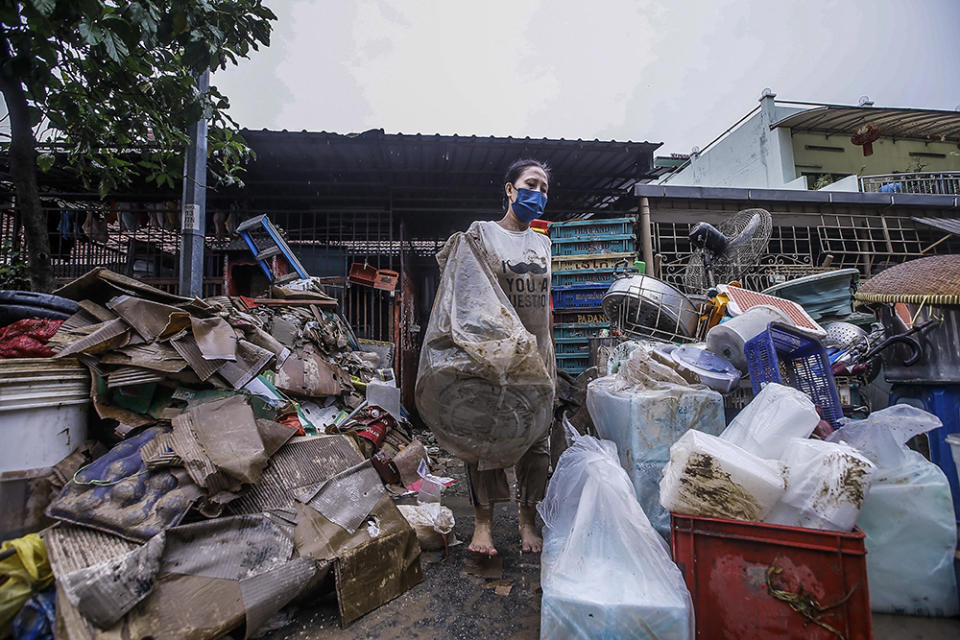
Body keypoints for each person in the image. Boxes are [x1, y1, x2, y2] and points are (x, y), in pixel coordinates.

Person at [458, 158, 556, 556]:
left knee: (537, 442)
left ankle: (526, 517)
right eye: (531, 184)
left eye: (545, 188)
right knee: (486, 437)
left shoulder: (544, 243)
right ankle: (483, 524)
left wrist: (546, 350)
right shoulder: (482, 235)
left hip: (538, 353)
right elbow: (466, 296)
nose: (539, 193)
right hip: (496, 355)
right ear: (510, 190)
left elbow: (544, 304)